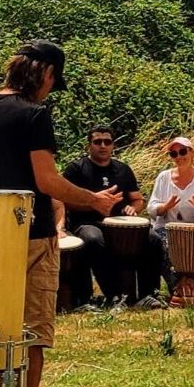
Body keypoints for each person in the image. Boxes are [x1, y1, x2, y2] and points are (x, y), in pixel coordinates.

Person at [0, 39, 122, 387]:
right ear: (45, 73)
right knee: (33, 329)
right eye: (54, 80)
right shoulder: (35, 115)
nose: (51, 88)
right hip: (32, 234)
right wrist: (94, 200)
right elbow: (46, 180)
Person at [60, 126, 142, 307]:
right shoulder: (76, 169)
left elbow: (137, 199)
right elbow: (64, 202)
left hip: (119, 225)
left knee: (151, 239)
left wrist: (132, 208)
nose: (103, 146)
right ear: (89, 145)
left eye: (107, 142)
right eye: (97, 142)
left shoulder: (123, 170)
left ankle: (148, 294)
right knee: (93, 239)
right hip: (85, 223)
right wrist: (93, 202)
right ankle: (113, 295)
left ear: (113, 145)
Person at [145, 136, 194, 307]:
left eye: (183, 151)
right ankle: (178, 289)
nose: (179, 156)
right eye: (174, 154)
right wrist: (165, 206)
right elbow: (152, 207)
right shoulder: (164, 177)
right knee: (161, 243)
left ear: (192, 153)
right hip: (167, 228)